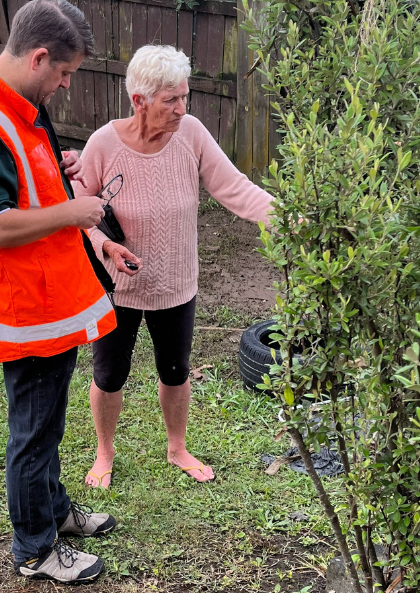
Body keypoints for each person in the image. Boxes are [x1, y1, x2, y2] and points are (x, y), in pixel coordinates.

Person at [0, 0, 120, 584]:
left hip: (47, 303)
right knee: (34, 430)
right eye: (65, 73)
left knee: (47, 423)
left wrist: (55, 174)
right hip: (24, 312)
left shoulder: (16, 106)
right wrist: (73, 211)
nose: (67, 86)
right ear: (40, 57)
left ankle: (53, 514)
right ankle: (35, 549)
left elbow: (21, 190)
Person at [74, 44, 274, 489]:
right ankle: (104, 452)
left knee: (176, 370)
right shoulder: (103, 145)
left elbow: (236, 189)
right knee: (109, 376)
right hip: (116, 289)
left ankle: (176, 446)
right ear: (139, 102)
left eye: (185, 97)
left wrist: (289, 219)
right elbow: (78, 211)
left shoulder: (193, 134)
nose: (183, 108)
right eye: (171, 100)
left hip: (177, 284)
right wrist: (105, 246)